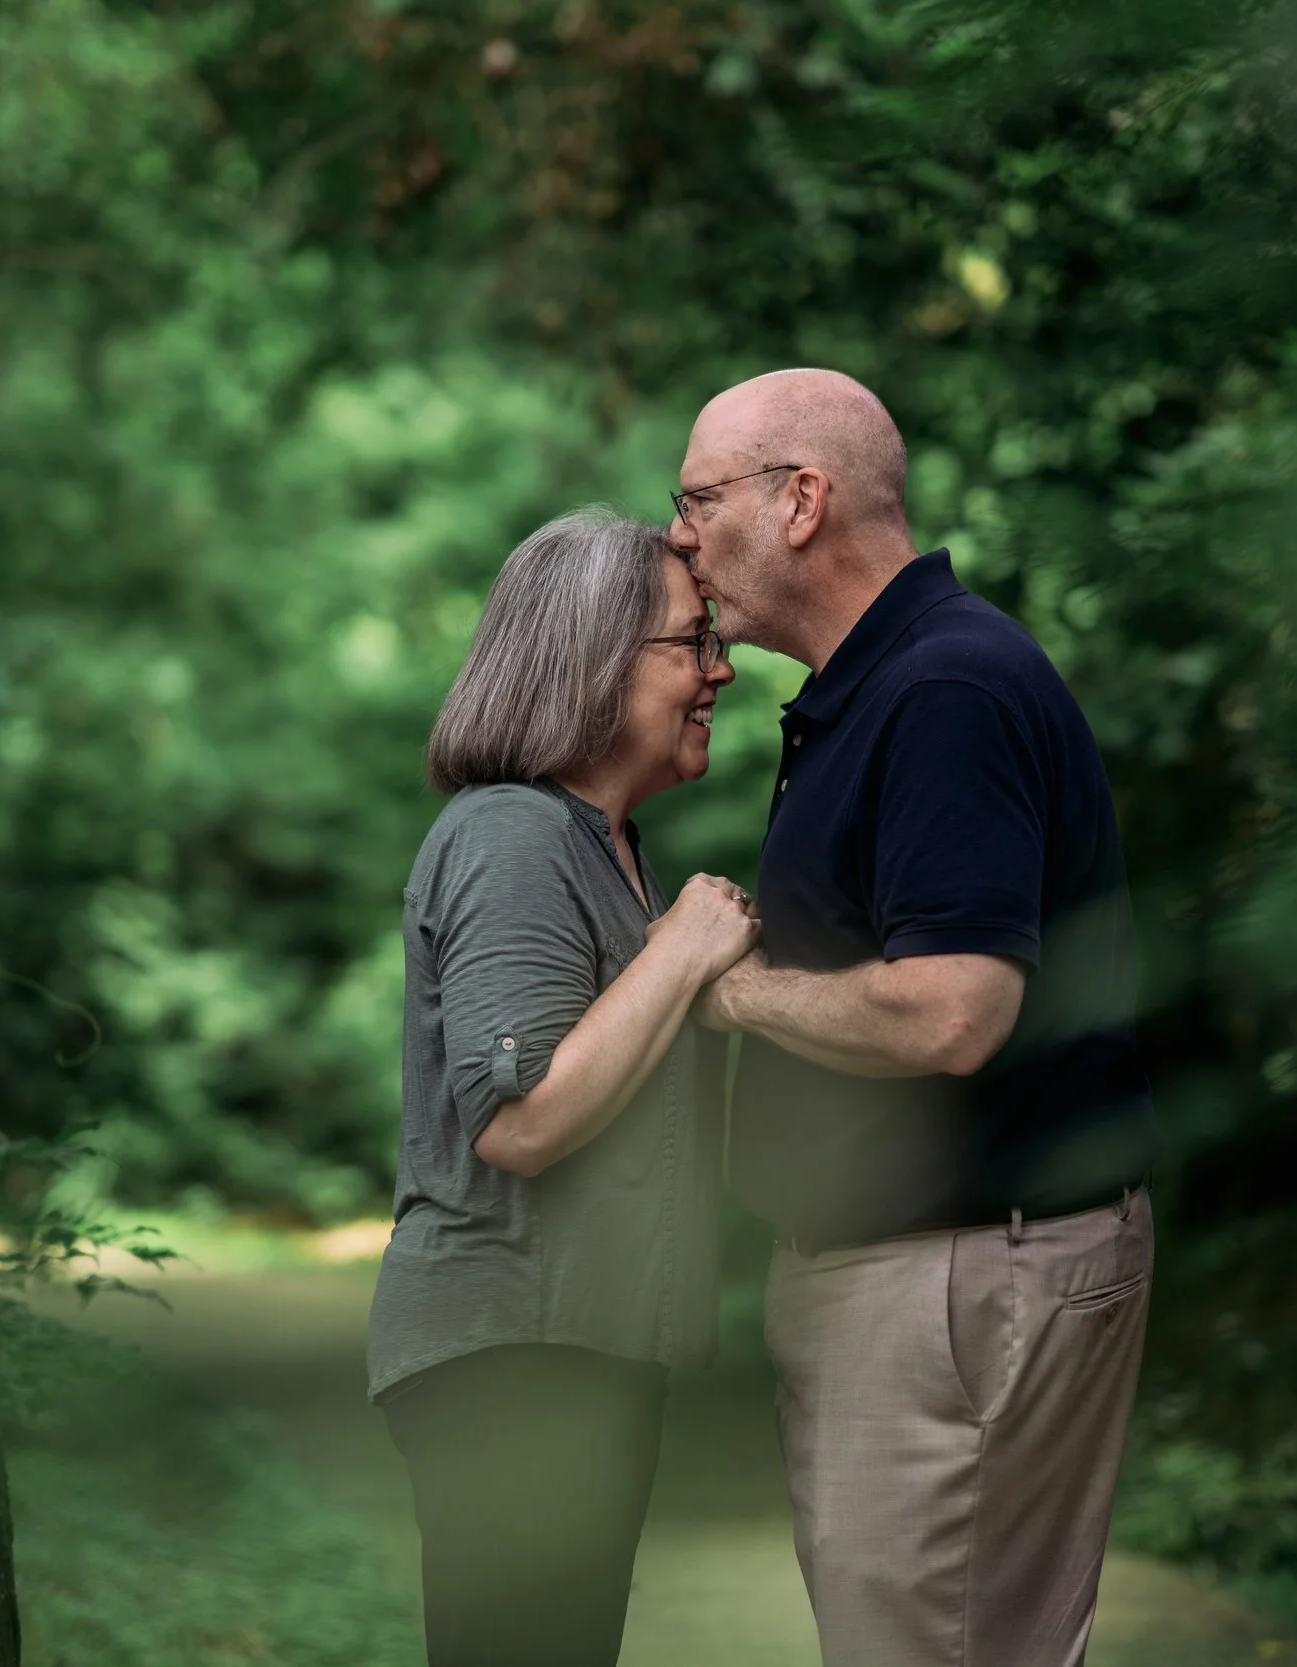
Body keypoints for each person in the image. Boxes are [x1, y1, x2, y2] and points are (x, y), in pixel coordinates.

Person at [670, 370, 1160, 1667]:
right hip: (932, 1267)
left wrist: (719, 981)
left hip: (955, 1274)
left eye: (699, 500)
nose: (680, 538)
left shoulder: (945, 686)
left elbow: (956, 1008)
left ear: (801, 501)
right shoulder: (883, 681)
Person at [365, 507, 761, 1667]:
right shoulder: (512, 833)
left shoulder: (605, 849)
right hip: (510, 1357)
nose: (719, 670)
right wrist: (684, 949)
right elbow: (524, 1121)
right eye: (691, 642)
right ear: (592, 660)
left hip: (579, 1353)